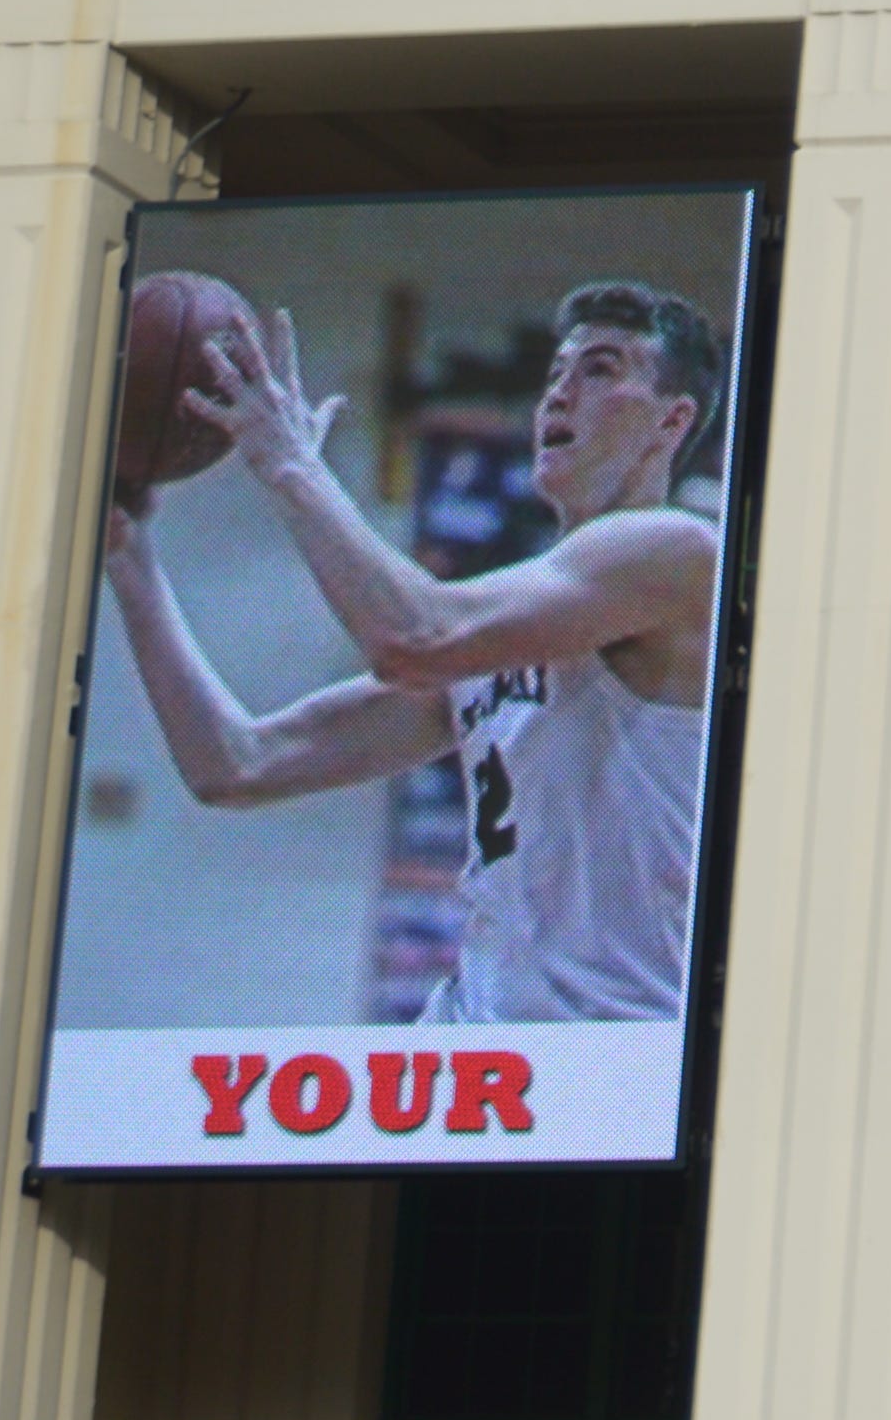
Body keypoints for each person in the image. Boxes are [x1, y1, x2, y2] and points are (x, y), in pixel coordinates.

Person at [99, 277, 730, 1024]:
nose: (559, 395)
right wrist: (130, 556)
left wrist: (291, 464)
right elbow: (236, 764)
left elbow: (412, 639)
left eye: (601, 370)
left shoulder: (680, 552)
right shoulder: (505, 628)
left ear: (671, 421)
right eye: (556, 374)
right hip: (473, 1056)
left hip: (608, 1060)